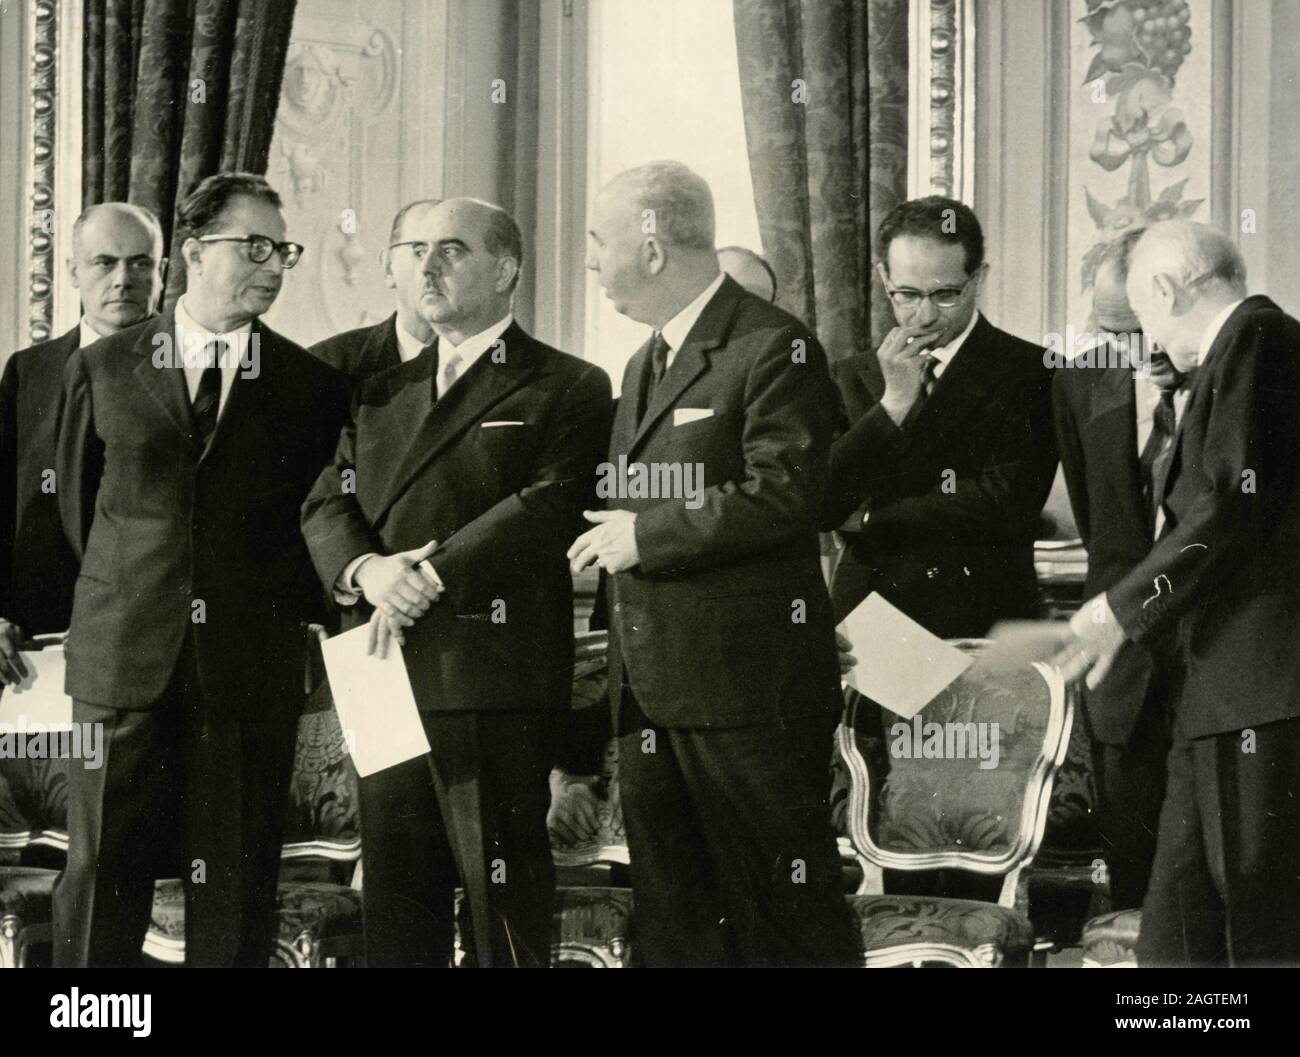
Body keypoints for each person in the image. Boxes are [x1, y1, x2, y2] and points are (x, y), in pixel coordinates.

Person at [301, 197, 612, 968]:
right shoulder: (375, 389)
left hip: (489, 669)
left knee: (498, 895)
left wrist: (426, 573)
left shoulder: (567, 383)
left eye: (453, 250)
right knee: (397, 897)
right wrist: (369, 569)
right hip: (379, 660)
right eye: (419, 251)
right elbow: (323, 496)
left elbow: (546, 505)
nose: (428, 266)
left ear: (505, 270)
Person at [52, 172, 350, 967]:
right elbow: (75, 514)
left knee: (236, 882)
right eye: (251, 246)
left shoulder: (310, 387)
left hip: (249, 670)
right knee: (99, 872)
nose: (273, 265)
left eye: (281, 249)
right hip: (121, 662)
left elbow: (311, 521)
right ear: (191, 252)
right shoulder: (105, 367)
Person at [571, 160, 857, 967]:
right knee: (676, 925)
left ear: (654, 245)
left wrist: (646, 537)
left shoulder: (774, 345)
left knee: (782, 918)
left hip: (746, 691)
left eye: (600, 239)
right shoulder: (641, 362)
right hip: (651, 688)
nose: (591, 261)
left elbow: (785, 492)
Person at [1052, 219, 1300, 966]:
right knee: (1180, 926)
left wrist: (1123, 607)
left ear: (1164, 288)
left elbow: (1227, 503)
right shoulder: (1244, 352)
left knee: (1254, 929)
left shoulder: (1258, 338)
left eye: (1143, 317)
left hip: (1254, 688)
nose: (1148, 346)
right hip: (1220, 691)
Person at [823, 196, 1057, 636]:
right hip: (869, 622)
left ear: (978, 278)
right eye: (907, 295)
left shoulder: (1036, 371)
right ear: (883, 278)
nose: (925, 315)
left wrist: (873, 519)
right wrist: (892, 406)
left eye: (946, 294)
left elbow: (1006, 500)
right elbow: (821, 501)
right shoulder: (847, 376)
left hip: (984, 618)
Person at [1051, 229, 1181, 911]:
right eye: (1110, 331)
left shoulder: (1246, 378)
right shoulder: (1079, 378)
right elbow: (1101, 523)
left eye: (1141, 331)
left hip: (1215, 672)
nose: (1133, 354)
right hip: (1120, 673)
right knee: (1133, 882)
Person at [0, 203, 164, 683]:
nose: (123, 279)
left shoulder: (195, 372)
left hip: (148, 651)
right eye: (104, 262)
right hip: (35, 650)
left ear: (164, 272)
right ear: (72, 272)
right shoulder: (28, 373)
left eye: (141, 262)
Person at [308, 198, 440, 380]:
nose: (433, 266)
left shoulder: (491, 365)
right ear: (388, 267)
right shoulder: (325, 365)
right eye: (419, 251)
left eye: (451, 252)